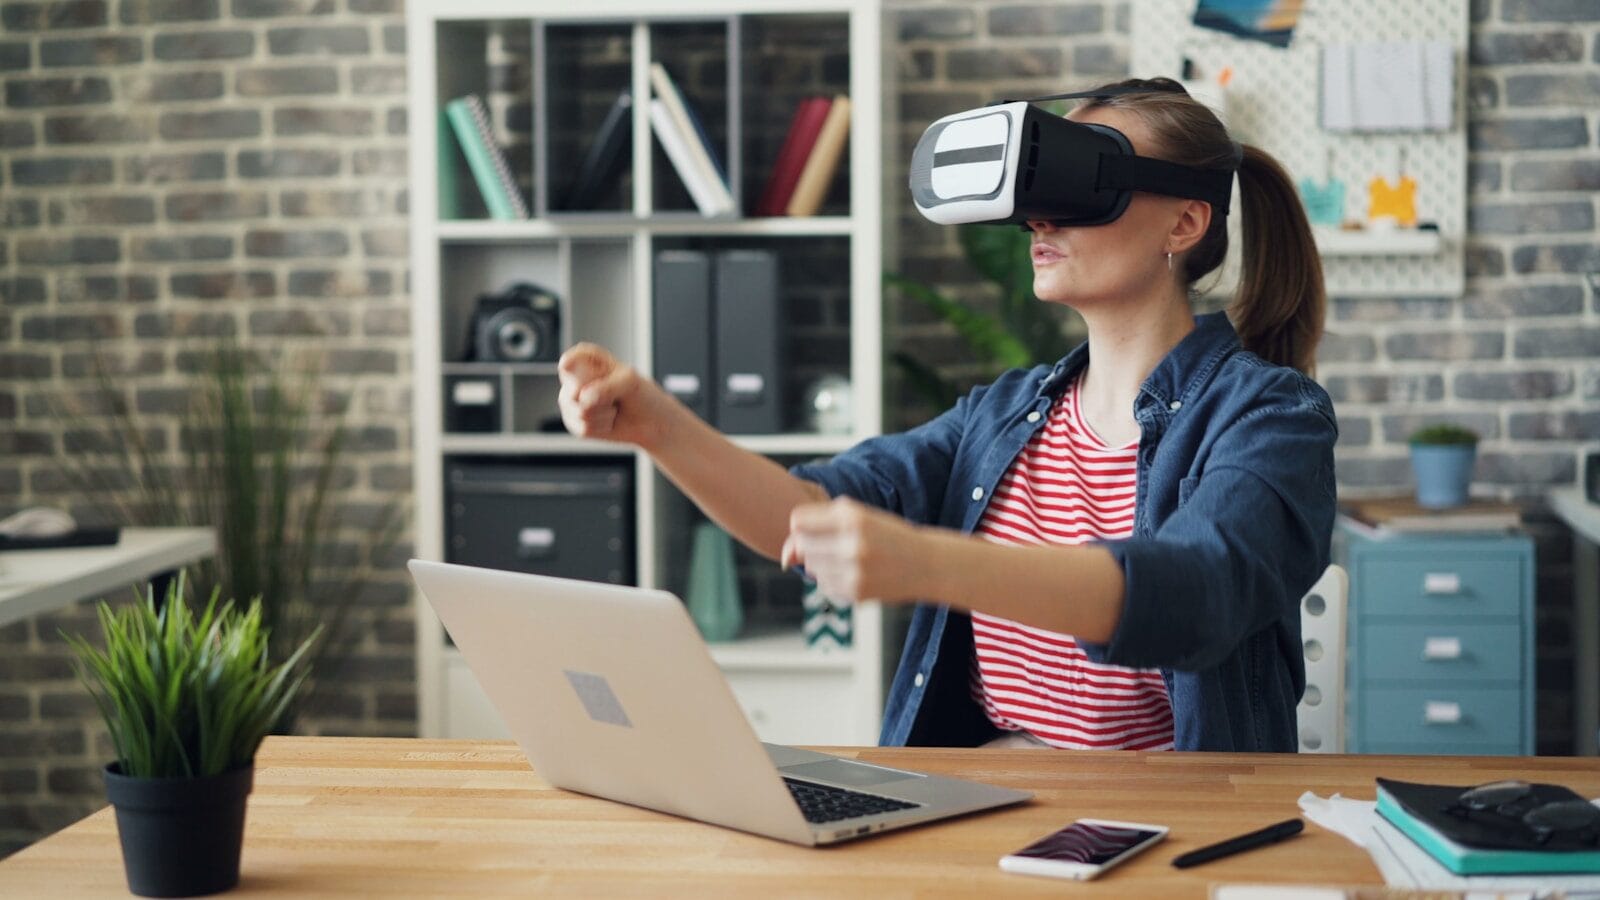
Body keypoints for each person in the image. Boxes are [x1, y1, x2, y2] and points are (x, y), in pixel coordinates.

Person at [557, 77, 1336, 753]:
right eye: (1037, 195)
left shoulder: (1269, 417)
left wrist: (928, 561)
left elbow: (1197, 591)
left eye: (1079, 184)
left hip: (1178, 831)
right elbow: (806, 517)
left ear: (1184, 223)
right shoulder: (1002, 416)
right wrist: (655, 425)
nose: (1040, 219)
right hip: (995, 805)